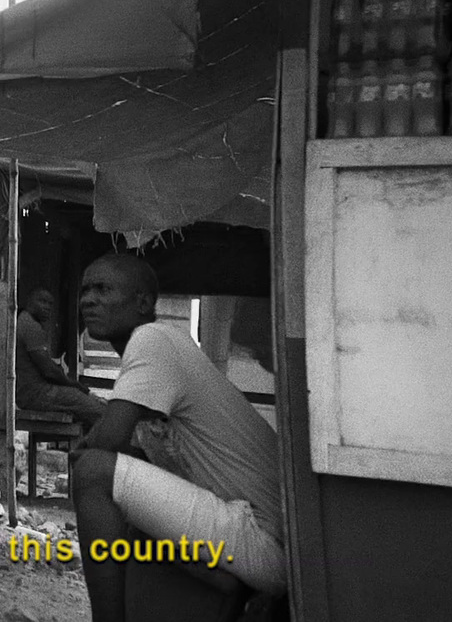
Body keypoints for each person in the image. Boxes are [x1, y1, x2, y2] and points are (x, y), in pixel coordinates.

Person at [69, 254, 285, 621]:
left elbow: (105, 443)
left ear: (142, 302)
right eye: (85, 290)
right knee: (125, 487)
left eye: (103, 289)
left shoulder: (153, 339)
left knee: (93, 473)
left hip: (265, 539)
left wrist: (85, 450)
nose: (88, 299)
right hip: (260, 538)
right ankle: (223, 584)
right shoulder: (157, 355)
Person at [16, 287, 105, 428]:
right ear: (29, 302)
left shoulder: (25, 322)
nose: (47, 307)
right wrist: (78, 387)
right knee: (98, 411)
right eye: (42, 301)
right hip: (35, 393)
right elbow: (49, 371)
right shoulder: (30, 325)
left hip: (30, 392)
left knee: (86, 408)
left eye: (50, 304)